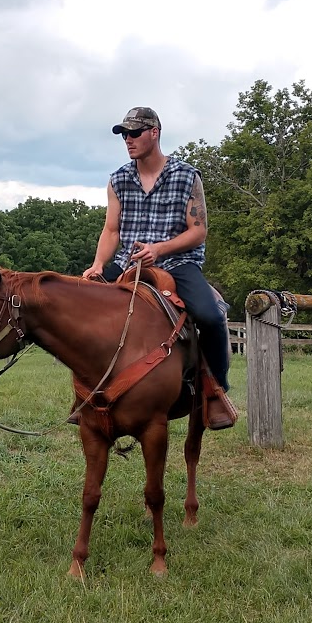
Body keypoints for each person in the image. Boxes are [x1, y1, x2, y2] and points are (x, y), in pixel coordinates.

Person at [79, 106, 237, 430]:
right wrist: (97, 266)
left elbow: (199, 230)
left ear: (155, 132)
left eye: (134, 133)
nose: (128, 139)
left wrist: (159, 249)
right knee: (81, 311)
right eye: (124, 134)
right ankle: (86, 394)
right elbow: (111, 230)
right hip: (128, 263)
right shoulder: (118, 179)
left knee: (210, 316)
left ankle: (215, 391)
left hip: (178, 263)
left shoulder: (187, 176)